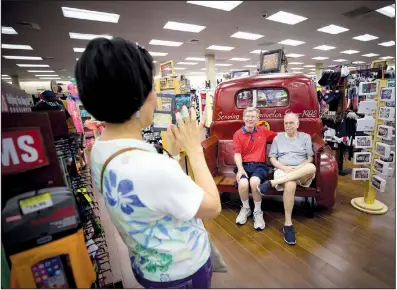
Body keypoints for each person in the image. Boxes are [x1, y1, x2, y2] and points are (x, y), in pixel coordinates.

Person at [75, 37, 221, 289]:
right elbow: (213, 207)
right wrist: (195, 150)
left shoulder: (98, 149)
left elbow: (152, 200)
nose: (156, 99)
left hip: (147, 265)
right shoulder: (151, 168)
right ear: (135, 103)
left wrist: (172, 156)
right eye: (150, 90)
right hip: (182, 272)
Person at [258, 112, 316, 245]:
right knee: (290, 184)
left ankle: (273, 183)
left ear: (297, 124)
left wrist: (299, 168)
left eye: (291, 123)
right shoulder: (278, 138)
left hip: (301, 170)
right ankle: (288, 224)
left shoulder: (305, 137)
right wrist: (284, 168)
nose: (288, 126)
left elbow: (310, 158)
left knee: (312, 167)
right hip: (283, 170)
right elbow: (272, 158)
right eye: (286, 123)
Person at [233, 107, 277, 230]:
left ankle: (258, 212)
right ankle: (246, 208)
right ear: (243, 118)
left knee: (254, 182)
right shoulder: (238, 134)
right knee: (242, 183)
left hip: (259, 166)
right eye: (248, 116)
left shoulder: (263, 131)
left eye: (253, 117)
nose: (250, 119)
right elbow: (237, 154)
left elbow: (279, 137)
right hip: (244, 165)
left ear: (257, 119)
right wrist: (240, 169)